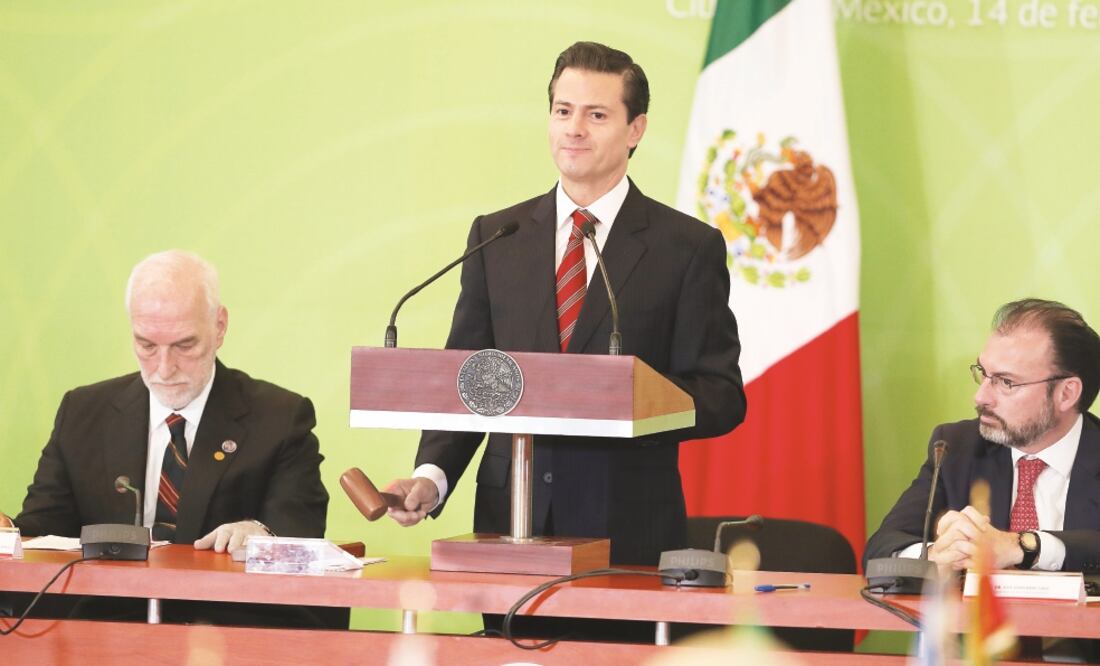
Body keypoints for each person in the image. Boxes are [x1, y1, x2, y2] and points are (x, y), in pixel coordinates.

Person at [383, 40, 746, 571]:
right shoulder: (497, 236)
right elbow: (471, 375)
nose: (574, 128)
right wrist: (431, 477)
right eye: (563, 111)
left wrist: (633, 402)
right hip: (509, 525)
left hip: (628, 528)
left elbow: (720, 394)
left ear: (635, 129)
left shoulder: (686, 248)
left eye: (596, 115)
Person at [0, 249, 337, 627]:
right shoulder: (83, 412)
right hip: (103, 631)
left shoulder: (279, 417)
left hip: (223, 629)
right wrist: (8, 531)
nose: (164, 368)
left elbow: (301, 534)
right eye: (147, 345)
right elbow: (43, 532)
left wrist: (259, 535)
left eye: (184, 345)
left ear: (220, 326)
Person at [865, 299, 1100, 574]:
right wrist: (933, 557)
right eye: (984, 374)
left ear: (1067, 393)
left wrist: (1023, 547)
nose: (981, 397)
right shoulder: (957, 447)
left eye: (1006, 382)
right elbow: (882, 547)